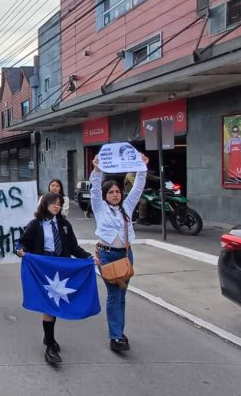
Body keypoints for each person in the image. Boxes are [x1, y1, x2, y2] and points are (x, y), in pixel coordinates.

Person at [16, 193, 91, 365]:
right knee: (49, 304)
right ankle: (50, 344)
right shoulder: (35, 224)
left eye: (59, 204)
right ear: (45, 204)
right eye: (53, 203)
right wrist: (20, 250)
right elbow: (22, 242)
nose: (57, 206)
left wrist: (87, 257)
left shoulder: (64, 225)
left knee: (56, 302)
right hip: (44, 267)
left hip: (61, 267)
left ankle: (48, 337)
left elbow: (73, 247)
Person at [90, 151, 148, 353]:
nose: (115, 195)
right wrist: (97, 169)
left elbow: (138, 188)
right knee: (114, 295)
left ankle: (119, 332)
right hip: (106, 256)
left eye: (117, 192)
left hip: (125, 255)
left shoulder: (127, 207)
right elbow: (95, 190)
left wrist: (142, 167)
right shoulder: (99, 207)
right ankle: (115, 336)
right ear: (105, 195)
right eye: (111, 192)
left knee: (122, 295)